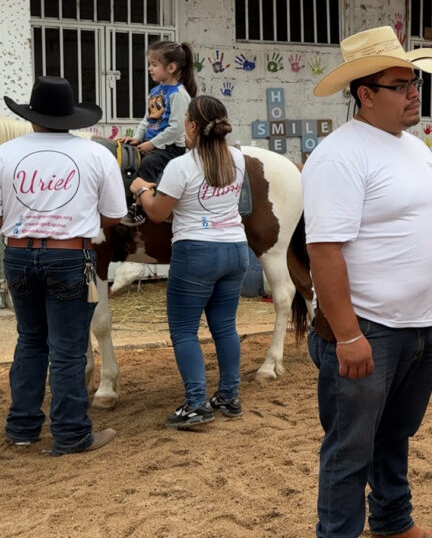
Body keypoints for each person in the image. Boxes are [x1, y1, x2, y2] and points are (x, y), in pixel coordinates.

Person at [303, 25, 432, 538]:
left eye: (413, 81)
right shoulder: (340, 155)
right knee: (350, 446)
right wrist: (349, 333)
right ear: (365, 94)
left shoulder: (415, 149)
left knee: (395, 435)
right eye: (400, 84)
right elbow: (323, 250)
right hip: (368, 328)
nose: (413, 92)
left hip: (418, 325)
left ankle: (393, 524)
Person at [1, 76, 126, 455]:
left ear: (32, 115)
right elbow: (115, 214)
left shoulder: (6, 153)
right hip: (71, 254)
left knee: (30, 340)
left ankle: (22, 428)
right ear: (71, 116)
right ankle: (71, 433)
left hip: (18, 253)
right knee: (69, 348)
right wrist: (79, 224)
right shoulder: (96, 154)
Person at [130, 95, 248, 428]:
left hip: (197, 251)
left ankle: (196, 403)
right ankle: (228, 395)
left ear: (193, 126)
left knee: (183, 331)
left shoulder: (180, 166)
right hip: (235, 248)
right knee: (225, 327)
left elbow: (156, 213)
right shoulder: (237, 158)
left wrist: (140, 188)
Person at [119, 40, 197, 225]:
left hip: (169, 148)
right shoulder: (155, 90)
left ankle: (140, 207)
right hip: (152, 143)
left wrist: (152, 144)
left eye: (154, 65)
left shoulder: (178, 94)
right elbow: (147, 119)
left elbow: (176, 128)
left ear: (171, 67)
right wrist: (137, 139)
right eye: (149, 65)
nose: (149, 69)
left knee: (149, 163)